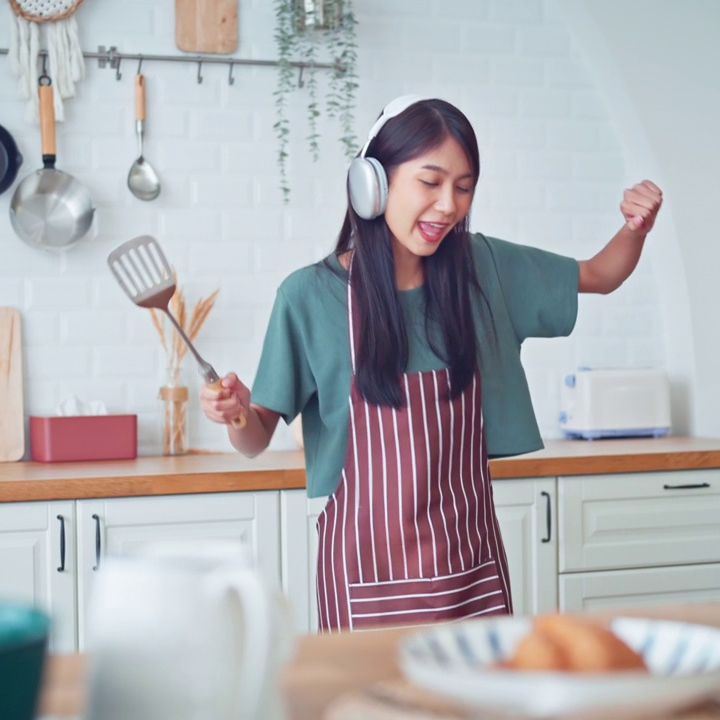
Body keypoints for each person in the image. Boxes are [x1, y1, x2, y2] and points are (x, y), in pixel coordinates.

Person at [200, 95, 662, 632]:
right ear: (372, 183)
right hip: (365, 584)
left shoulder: (484, 270)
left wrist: (635, 227)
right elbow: (255, 437)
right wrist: (235, 412)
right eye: (430, 182)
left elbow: (601, 275)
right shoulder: (308, 297)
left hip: (470, 572)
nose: (448, 205)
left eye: (463, 188)